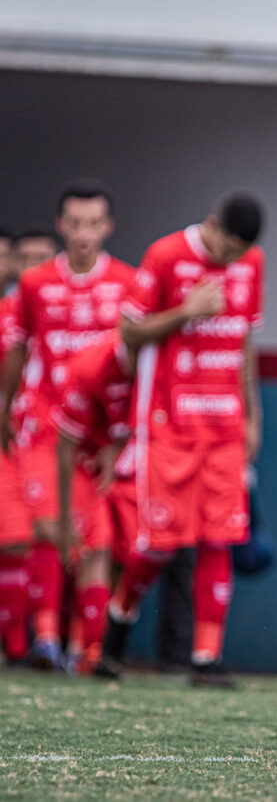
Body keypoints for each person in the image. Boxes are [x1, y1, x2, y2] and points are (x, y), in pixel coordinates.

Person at [102, 192, 265, 688]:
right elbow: (127, 334)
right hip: (167, 427)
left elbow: (243, 342)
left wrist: (253, 414)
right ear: (211, 225)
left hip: (223, 429)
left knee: (220, 536)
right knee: (158, 546)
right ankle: (117, 622)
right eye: (226, 249)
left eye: (239, 253)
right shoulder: (166, 255)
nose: (231, 260)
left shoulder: (252, 263)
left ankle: (205, 658)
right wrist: (185, 310)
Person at [1, 184, 133, 671]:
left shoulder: (126, 282)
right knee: (44, 529)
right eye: (74, 223)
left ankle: (89, 651)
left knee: (97, 542)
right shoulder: (35, 284)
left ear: (107, 227)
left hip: (97, 438)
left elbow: (133, 362)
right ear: (60, 225)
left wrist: (119, 436)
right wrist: (6, 407)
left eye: (93, 223)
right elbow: (17, 348)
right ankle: (46, 643)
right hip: (43, 424)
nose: (83, 234)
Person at [51, 331, 136, 674]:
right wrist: (62, 513)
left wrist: (117, 447)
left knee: (131, 552)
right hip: (84, 462)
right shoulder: (88, 368)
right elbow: (65, 445)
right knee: (92, 548)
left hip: (131, 457)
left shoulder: (164, 360)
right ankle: (88, 651)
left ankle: (90, 647)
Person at [0, 230, 56, 664]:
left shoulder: (53, 311)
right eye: (24, 257)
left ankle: (28, 648)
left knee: (28, 541)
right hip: (13, 436)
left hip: (36, 438)